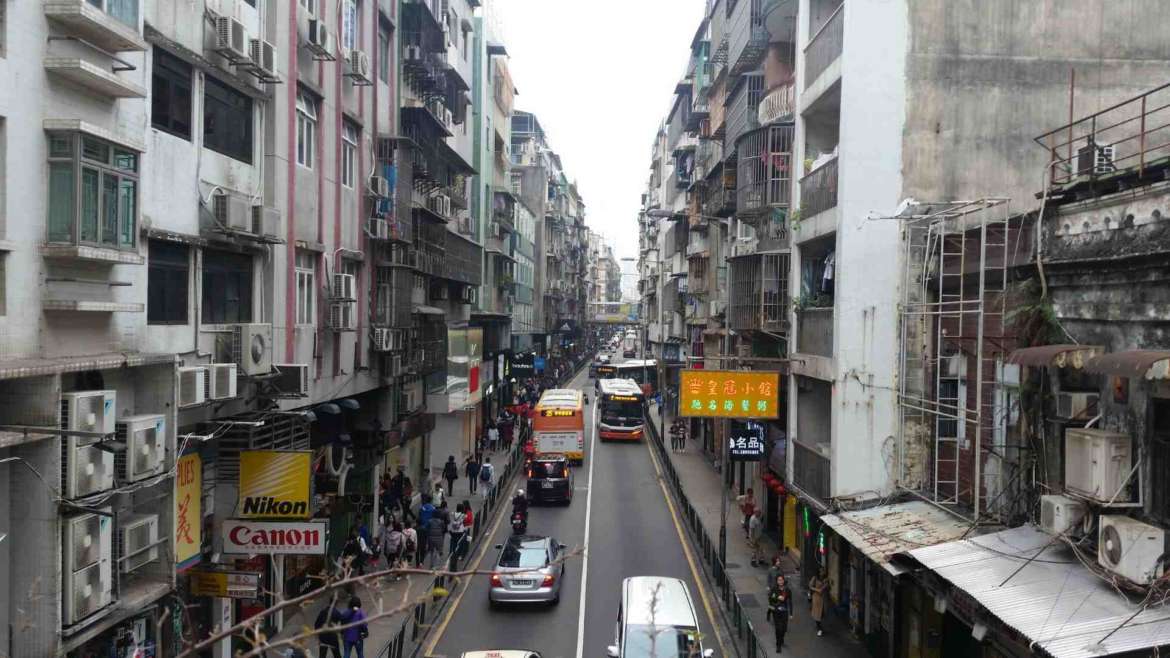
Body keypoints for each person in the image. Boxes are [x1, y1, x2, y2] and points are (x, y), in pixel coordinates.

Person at [768, 575, 794, 653]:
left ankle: (781, 638)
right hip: (776, 611)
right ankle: (778, 645)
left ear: (783, 580)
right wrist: (777, 597)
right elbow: (770, 598)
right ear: (777, 581)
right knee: (778, 628)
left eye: (781, 580)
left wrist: (791, 613)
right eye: (779, 580)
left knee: (784, 629)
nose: (780, 582)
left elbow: (790, 602)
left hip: (784, 611)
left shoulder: (787, 590)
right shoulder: (774, 589)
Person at [809, 568, 829, 637]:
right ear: (819, 572)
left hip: (824, 598)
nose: (823, 572)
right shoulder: (815, 578)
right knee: (817, 613)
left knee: (823, 612)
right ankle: (819, 628)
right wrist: (817, 590)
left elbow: (827, 587)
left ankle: (820, 626)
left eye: (823, 571)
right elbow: (810, 586)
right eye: (821, 571)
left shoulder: (826, 579)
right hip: (816, 598)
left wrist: (826, 585)